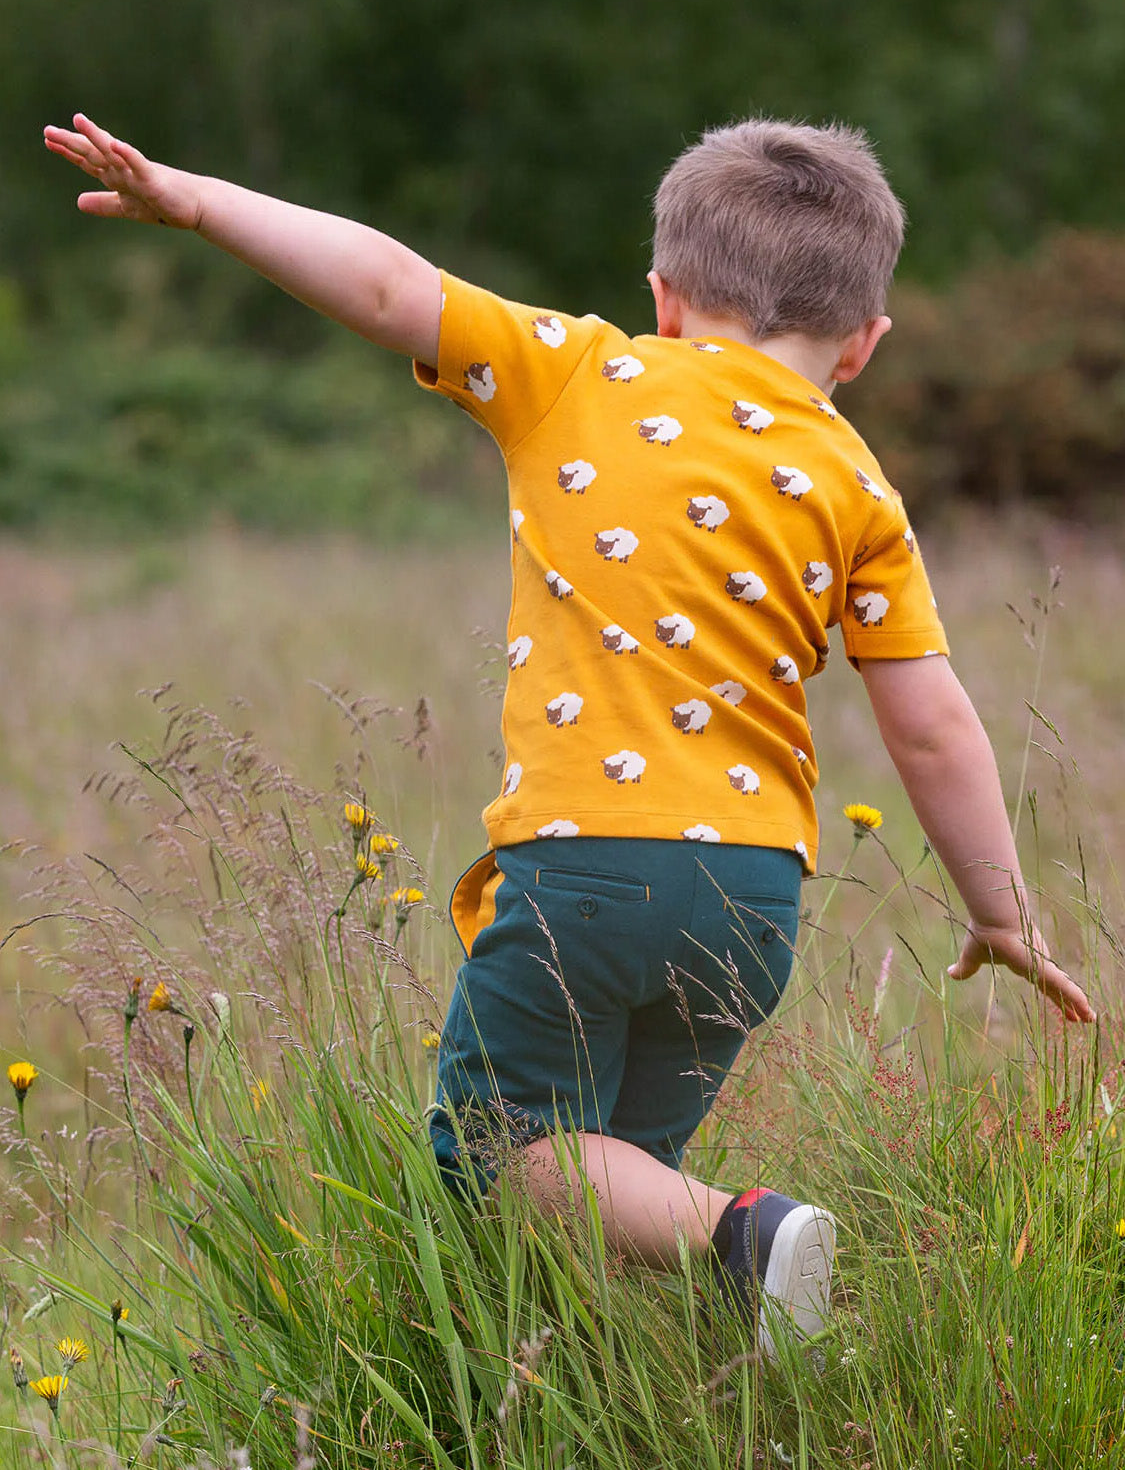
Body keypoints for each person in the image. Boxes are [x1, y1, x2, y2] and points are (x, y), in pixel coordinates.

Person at [45, 112, 1094, 1355]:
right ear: (863, 344)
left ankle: (749, 1233)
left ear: (663, 297)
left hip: (587, 865)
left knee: (497, 1162)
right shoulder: (858, 481)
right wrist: (999, 911)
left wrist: (200, 200)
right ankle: (642, 1365)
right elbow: (933, 726)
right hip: (754, 897)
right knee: (599, 1186)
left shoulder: (581, 370)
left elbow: (387, 283)